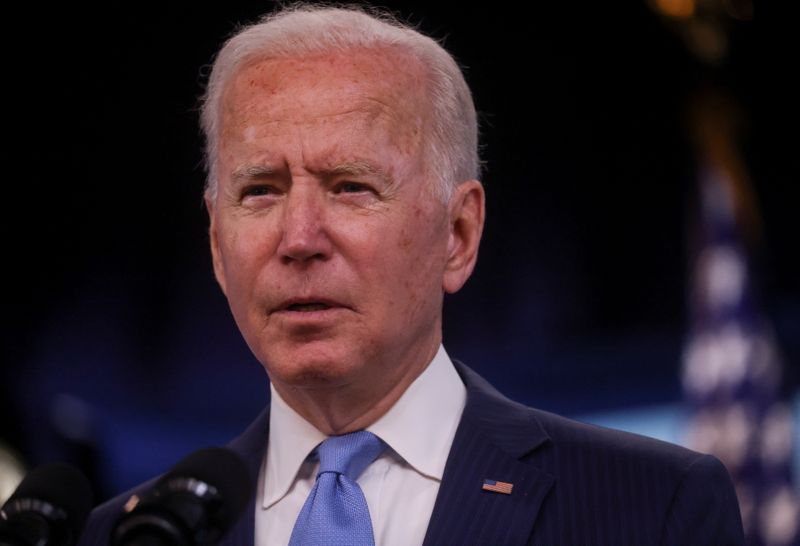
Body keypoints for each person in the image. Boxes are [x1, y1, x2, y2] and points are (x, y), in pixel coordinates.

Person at [79, 5, 744, 545]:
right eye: (260, 190)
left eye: (350, 187)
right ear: (218, 247)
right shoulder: (129, 536)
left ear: (458, 235)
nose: (299, 238)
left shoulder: (651, 508)